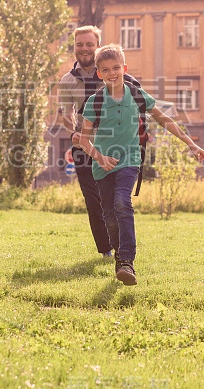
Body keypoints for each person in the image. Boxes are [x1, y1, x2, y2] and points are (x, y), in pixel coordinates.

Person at [79, 44, 204, 286]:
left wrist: (190, 143)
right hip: (102, 165)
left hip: (130, 159)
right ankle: (119, 255)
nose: (112, 73)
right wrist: (100, 158)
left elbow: (164, 119)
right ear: (99, 73)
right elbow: (83, 139)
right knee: (109, 216)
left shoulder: (137, 95)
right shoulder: (94, 102)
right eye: (105, 70)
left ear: (124, 69)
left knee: (121, 203)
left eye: (116, 68)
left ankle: (127, 261)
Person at [58, 25, 142, 260]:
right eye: (79, 44)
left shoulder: (110, 73)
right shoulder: (67, 80)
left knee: (118, 200)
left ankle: (123, 250)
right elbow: (66, 112)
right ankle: (106, 250)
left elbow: (137, 103)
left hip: (116, 146)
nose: (84, 48)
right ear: (74, 47)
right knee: (93, 201)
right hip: (85, 148)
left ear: (98, 46)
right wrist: (71, 133)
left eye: (89, 44)